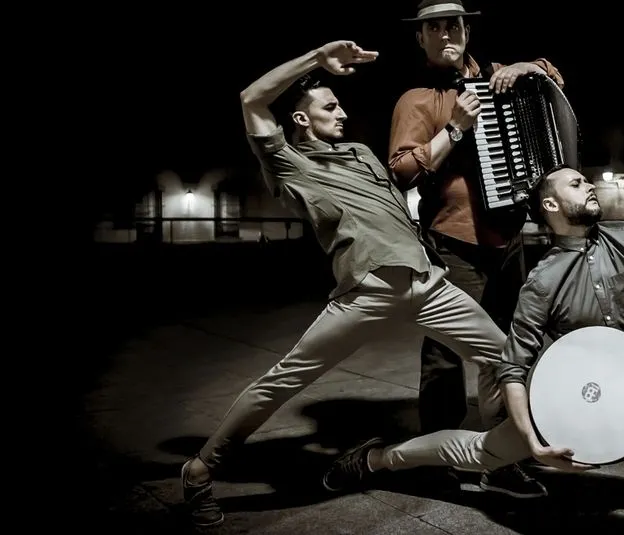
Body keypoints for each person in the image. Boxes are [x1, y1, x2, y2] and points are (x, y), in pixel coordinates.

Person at [322, 165, 624, 535]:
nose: (590, 184)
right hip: (564, 406)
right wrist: (535, 444)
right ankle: (378, 457)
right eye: (577, 183)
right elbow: (513, 369)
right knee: (478, 452)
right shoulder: (542, 281)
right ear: (551, 205)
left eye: (588, 179)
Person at [179, 40, 523, 528]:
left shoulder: (360, 153)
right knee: (283, 380)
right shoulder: (288, 163)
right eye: (330, 105)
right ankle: (199, 469)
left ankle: (499, 464)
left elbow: (404, 187)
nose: (342, 112)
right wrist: (317, 59)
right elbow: (251, 99)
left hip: (429, 283)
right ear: (300, 120)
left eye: (339, 104)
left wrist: (457, 132)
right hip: (367, 290)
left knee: (506, 358)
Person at [387, 0, 565, 498]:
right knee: (446, 355)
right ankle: (433, 457)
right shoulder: (417, 99)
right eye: (434, 28)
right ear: (420, 38)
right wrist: (456, 128)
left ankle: (502, 457)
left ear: (467, 31)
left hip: (509, 238)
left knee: (509, 350)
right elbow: (400, 170)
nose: (447, 34)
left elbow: (552, 80)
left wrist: (528, 67)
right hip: (453, 240)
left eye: (454, 25)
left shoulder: (499, 77)